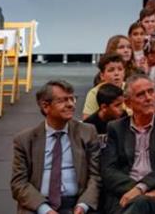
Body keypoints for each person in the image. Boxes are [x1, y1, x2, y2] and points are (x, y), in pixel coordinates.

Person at [11, 80, 102, 214]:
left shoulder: (88, 132)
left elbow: (96, 176)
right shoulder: (24, 140)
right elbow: (19, 184)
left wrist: (83, 205)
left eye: (72, 99)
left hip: (78, 203)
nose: (70, 104)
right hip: (40, 205)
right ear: (45, 106)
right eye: (63, 100)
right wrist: (45, 210)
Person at [100, 74, 155, 214]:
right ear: (128, 103)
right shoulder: (116, 128)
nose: (148, 98)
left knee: (141, 203)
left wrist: (142, 188)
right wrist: (137, 189)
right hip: (124, 193)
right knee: (138, 203)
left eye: (151, 92)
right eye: (141, 95)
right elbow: (108, 170)